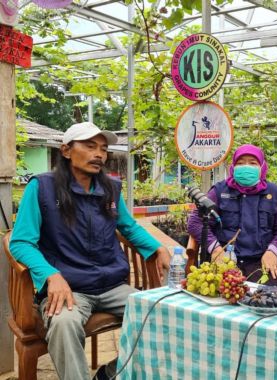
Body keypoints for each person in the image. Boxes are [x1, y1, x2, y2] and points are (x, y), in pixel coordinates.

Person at [9, 122, 171, 380]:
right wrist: (51, 275)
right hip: (69, 287)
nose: (99, 154)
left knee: (163, 315)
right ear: (66, 150)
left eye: (104, 149)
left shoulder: (110, 188)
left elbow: (128, 227)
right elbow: (20, 242)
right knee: (63, 324)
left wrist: (158, 248)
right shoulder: (42, 187)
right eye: (90, 146)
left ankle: (109, 373)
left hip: (111, 284)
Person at [187, 144, 277, 286]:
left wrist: (273, 250)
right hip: (225, 259)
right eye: (240, 163)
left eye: (252, 163)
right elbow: (196, 222)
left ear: (262, 167)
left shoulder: (275, 193)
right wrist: (214, 248)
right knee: (218, 295)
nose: (246, 167)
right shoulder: (220, 191)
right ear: (233, 167)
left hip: (262, 261)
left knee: (267, 301)